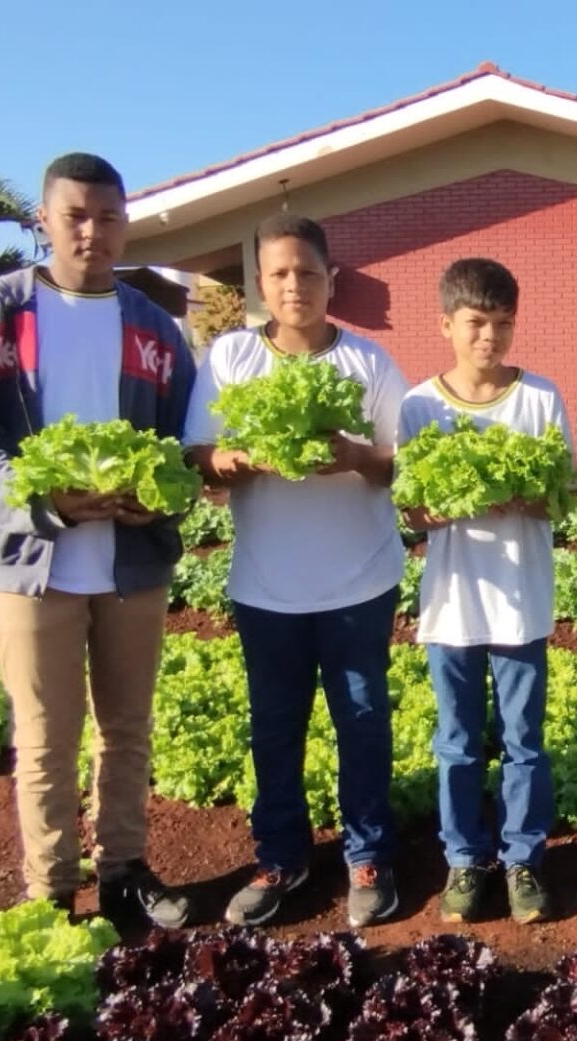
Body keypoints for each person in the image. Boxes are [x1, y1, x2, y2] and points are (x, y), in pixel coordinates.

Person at [0, 152, 195, 928]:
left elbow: (183, 443)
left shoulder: (153, 328)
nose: (93, 232)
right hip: (29, 564)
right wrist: (41, 502)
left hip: (130, 565)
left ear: (125, 224)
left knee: (127, 728)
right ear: (43, 220)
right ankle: (48, 889)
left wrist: (159, 500)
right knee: (44, 736)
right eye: (76, 216)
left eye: (109, 217)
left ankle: (122, 871)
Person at [184, 213, 408, 929]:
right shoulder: (229, 359)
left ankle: (368, 856)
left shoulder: (368, 364)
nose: (293, 286)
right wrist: (233, 461)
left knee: (363, 722)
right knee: (275, 727)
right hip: (266, 586)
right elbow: (201, 455)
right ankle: (281, 857)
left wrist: (356, 458)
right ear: (259, 282)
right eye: (278, 273)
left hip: (359, 581)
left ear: (330, 280)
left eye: (307, 273)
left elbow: (400, 465)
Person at [396, 257, 572, 926]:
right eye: (475, 324)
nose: (489, 338)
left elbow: (562, 499)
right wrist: (440, 505)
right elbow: (409, 511)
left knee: (525, 740)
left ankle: (524, 859)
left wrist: (525, 495)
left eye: (502, 324)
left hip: (521, 602)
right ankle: (466, 861)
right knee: (458, 742)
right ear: (446, 324)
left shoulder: (539, 398)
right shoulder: (420, 405)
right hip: (451, 606)